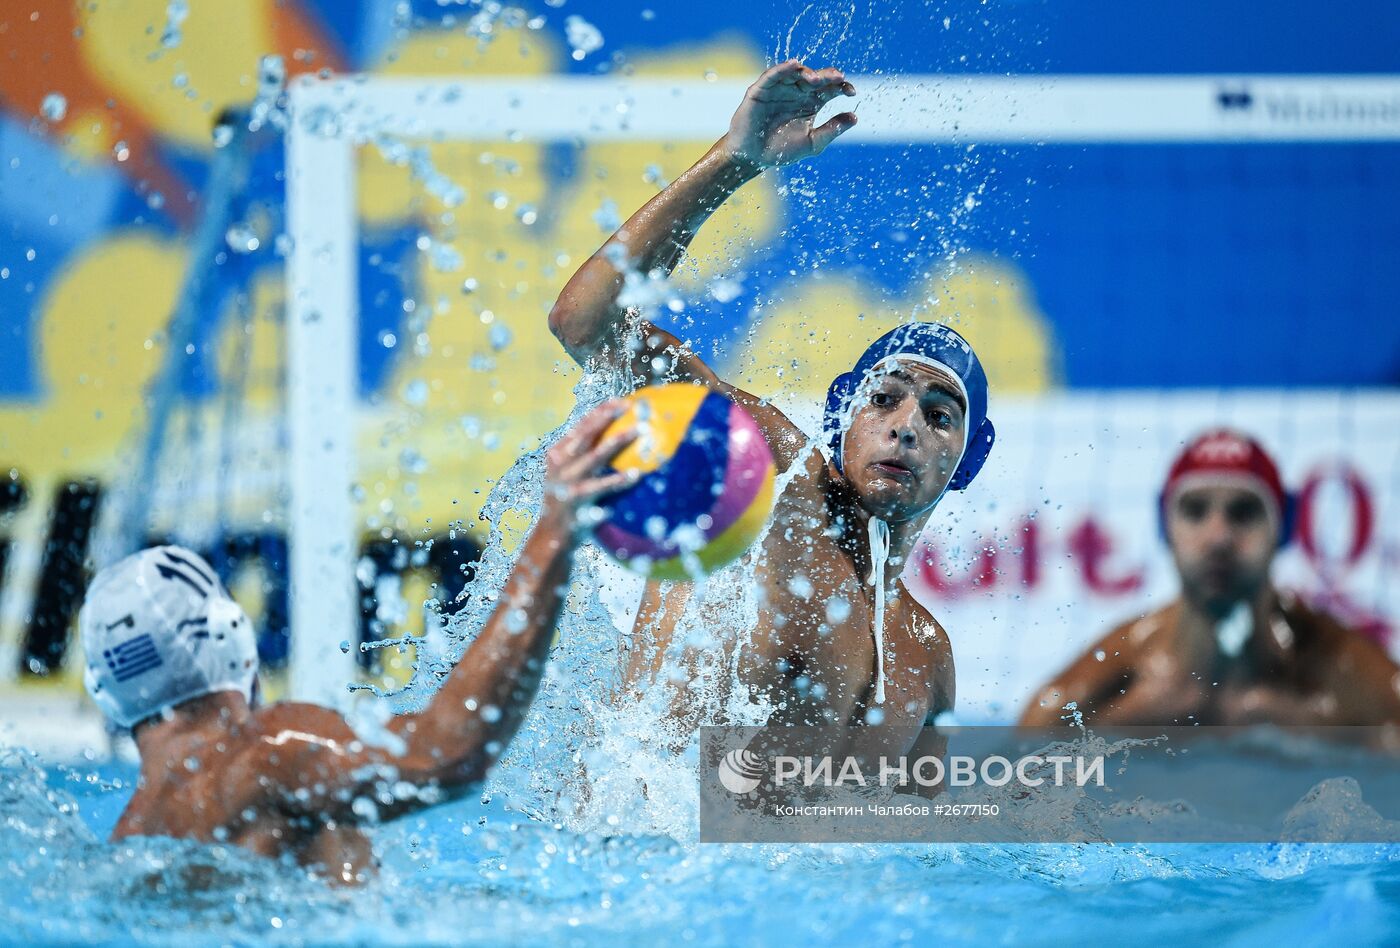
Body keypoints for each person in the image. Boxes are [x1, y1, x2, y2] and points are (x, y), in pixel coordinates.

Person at [547, 60, 996, 758]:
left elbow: (913, 851)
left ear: (971, 457)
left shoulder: (927, 659)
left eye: (940, 416)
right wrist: (736, 162)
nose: (906, 424)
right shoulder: (771, 471)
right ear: (842, 414)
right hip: (622, 856)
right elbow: (586, 324)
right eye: (883, 399)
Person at [79, 404, 638, 883]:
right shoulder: (265, 752)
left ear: (107, 691)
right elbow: (450, 753)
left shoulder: (131, 840)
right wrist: (554, 530)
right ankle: (731, 815)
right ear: (234, 642)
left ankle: (729, 808)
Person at [1020, 428, 1400, 729]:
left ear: (1282, 529)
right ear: (1165, 527)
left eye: (1243, 512)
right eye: (1195, 510)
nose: (1218, 537)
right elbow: (1011, 779)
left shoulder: (1338, 667)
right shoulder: (1125, 676)